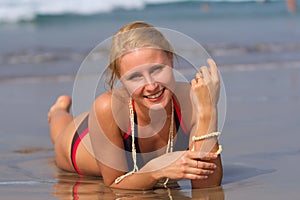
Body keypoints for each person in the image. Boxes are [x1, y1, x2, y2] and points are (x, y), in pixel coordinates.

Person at [48, 21, 223, 190]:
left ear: (170, 59)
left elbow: (206, 185)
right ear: (120, 79)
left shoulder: (193, 99)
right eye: (135, 77)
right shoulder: (106, 107)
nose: (151, 85)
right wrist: (157, 170)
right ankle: (58, 110)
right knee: (61, 132)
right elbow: (115, 183)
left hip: (118, 117)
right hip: (81, 140)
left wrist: (208, 110)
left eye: (156, 69)